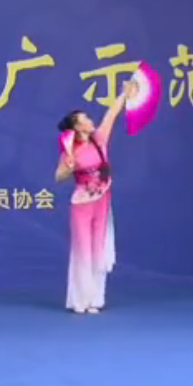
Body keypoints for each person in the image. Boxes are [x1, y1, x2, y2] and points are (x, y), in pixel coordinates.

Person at [54, 79, 137, 315]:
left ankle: (95, 299)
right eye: (85, 119)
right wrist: (68, 167)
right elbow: (58, 177)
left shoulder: (99, 139)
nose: (91, 121)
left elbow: (112, 114)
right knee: (83, 250)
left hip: (103, 201)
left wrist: (124, 95)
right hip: (81, 204)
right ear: (78, 127)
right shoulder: (70, 151)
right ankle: (80, 300)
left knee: (98, 249)